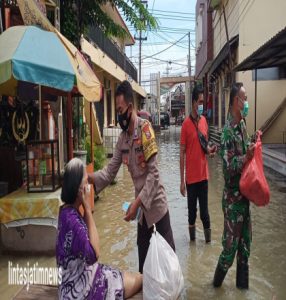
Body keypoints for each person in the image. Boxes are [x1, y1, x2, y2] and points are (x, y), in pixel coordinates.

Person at [88, 80, 175, 273]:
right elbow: (109, 172)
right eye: (117, 111)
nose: (119, 115)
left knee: (170, 264)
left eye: (120, 110)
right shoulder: (123, 139)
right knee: (143, 264)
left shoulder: (145, 130)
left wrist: (136, 204)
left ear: (130, 107)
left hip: (157, 207)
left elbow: (154, 173)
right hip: (142, 213)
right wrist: (88, 178)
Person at [56, 158, 142, 300]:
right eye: (86, 180)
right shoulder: (73, 221)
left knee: (128, 274)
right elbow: (94, 255)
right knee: (140, 278)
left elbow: (82, 238)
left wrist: (84, 208)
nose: (89, 183)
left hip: (70, 283)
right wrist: (88, 209)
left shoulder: (65, 212)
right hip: (81, 291)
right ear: (80, 189)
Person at [213, 82, 255, 289]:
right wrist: (245, 158)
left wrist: (253, 142)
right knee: (229, 253)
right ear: (235, 102)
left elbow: (246, 152)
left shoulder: (242, 126)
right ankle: (213, 289)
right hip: (232, 202)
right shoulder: (227, 132)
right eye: (244, 98)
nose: (246, 102)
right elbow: (228, 169)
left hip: (245, 198)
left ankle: (242, 292)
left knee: (244, 250)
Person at [180, 86, 217, 243]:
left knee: (205, 214)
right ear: (194, 102)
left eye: (203, 102)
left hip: (203, 176)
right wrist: (182, 181)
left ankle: (208, 243)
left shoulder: (204, 122)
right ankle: (192, 245)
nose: (202, 104)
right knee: (191, 214)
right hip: (191, 179)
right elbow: (182, 153)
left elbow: (204, 146)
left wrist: (210, 151)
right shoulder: (185, 125)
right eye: (200, 101)